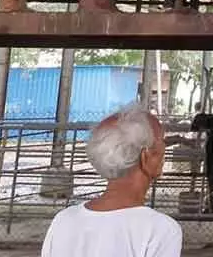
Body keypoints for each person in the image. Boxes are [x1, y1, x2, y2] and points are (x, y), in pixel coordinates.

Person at [40, 105, 181, 257]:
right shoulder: (161, 230)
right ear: (145, 157)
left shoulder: (64, 221)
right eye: (162, 143)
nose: (165, 150)